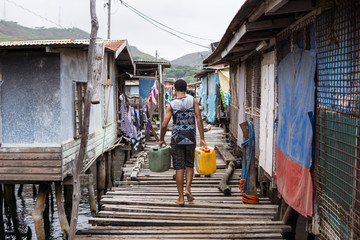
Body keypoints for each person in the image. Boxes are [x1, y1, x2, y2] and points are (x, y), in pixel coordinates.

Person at [158, 79, 207, 206]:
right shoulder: (193, 101)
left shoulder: (171, 104)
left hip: (177, 140)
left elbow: (164, 124)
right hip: (190, 138)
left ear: (174, 89)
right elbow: (199, 119)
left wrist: (161, 138)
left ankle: (180, 198)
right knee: (189, 165)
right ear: (186, 89)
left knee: (179, 167)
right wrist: (202, 138)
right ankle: (188, 190)